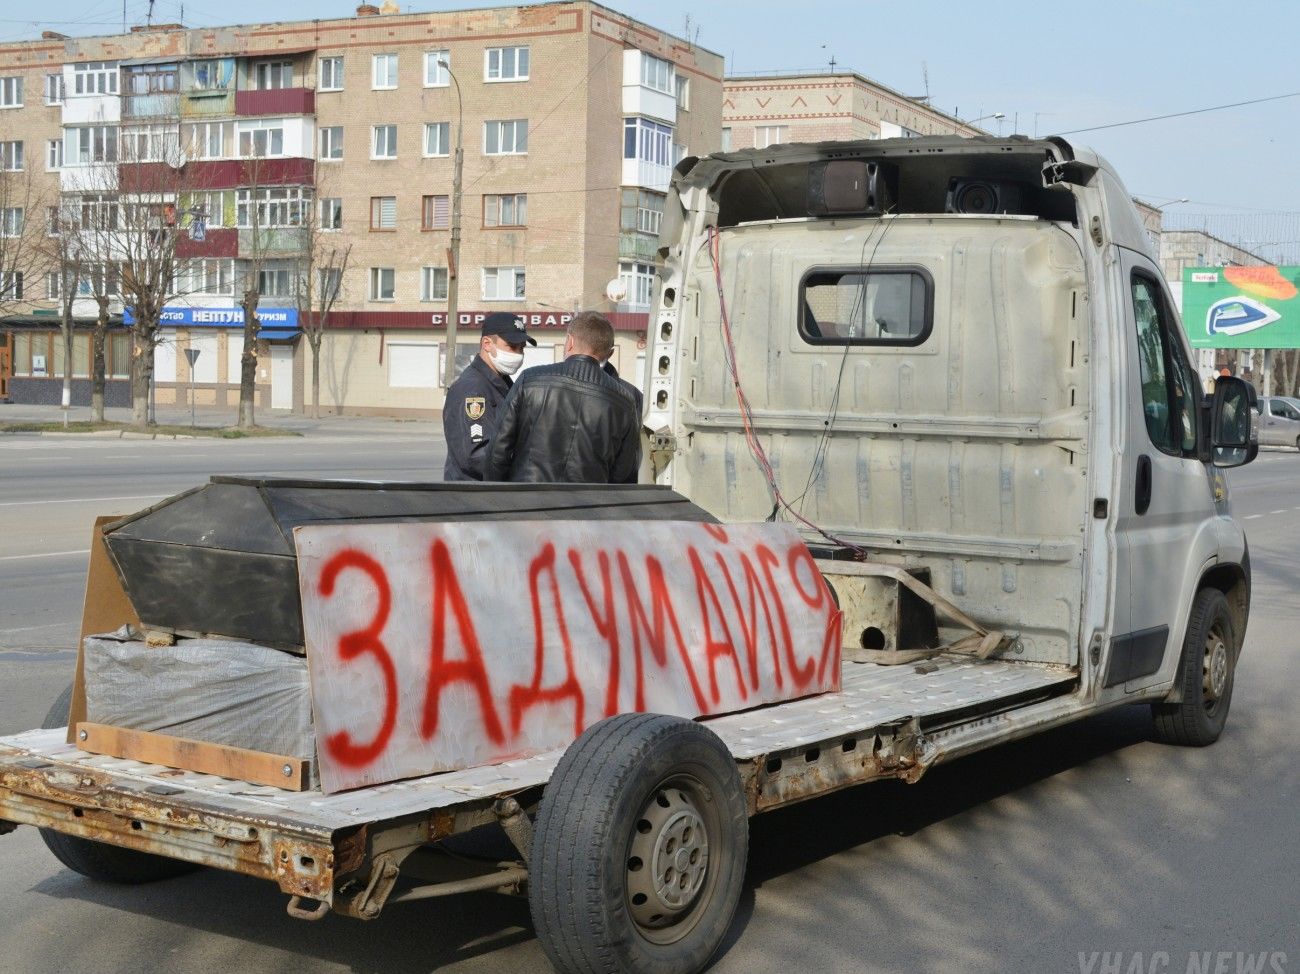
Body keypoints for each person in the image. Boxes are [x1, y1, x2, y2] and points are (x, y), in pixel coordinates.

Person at [485, 311, 640, 484]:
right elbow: (624, 472)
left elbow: (498, 452)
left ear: (570, 342)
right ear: (609, 353)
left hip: (527, 502)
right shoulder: (625, 402)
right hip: (589, 504)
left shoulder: (529, 380)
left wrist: (499, 497)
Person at [442, 312, 536, 481]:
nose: (518, 354)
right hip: (474, 496)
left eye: (522, 348)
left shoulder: (501, 381)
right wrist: (526, 465)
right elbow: (476, 456)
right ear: (487, 344)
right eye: (512, 346)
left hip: (491, 492)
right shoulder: (472, 389)